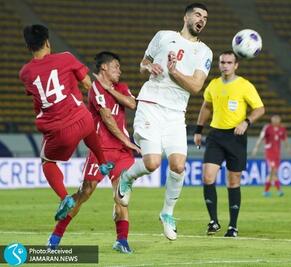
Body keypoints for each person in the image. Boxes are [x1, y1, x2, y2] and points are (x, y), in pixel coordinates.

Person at [115, 2, 212, 241]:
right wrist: (150, 66)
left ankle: (167, 214)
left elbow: (197, 86)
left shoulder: (205, 52)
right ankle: (126, 178)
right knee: (152, 163)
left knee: (179, 166)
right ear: (186, 17)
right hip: (151, 105)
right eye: (198, 15)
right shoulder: (163, 36)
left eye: (206, 18)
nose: (202, 19)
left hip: (176, 113)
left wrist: (174, 71)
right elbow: (142, 65)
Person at [47, 51, 140, 253]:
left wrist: (112, 90)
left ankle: (121, 241)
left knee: (121, 196)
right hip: (102, 151)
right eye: (116, 66)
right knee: (85, 192)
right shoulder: (95, 89)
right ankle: (56, 236)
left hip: (122, 153)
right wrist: (127, 140)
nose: (119, 70)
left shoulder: (121, 88)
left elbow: (133, 104)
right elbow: (107, 117)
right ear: (104, 67)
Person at [19, 24, 113, 221]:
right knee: (89, 130)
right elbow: (87, 83)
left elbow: (37, 95)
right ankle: (103, 163)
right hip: (81, 116)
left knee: (47, 162)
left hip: (59, 128)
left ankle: (64, 198)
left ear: (29, 46)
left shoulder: (25, 73)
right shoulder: (66, 58)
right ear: (47, 42)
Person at [194, 51, 265, 237]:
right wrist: (199, 130)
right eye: (222, 62)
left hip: (236, 137)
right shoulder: (213, 85)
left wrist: (246, 122)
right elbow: (206, 106)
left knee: (233, 182)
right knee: (208, 177)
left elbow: (260, 108)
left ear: (236, 65)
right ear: (219, 64)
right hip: (216, 135)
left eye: (229, 62)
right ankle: (213, 221)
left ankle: (233, 226)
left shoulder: (245, 86)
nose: (225, 65)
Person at [251, 115, 291, 197]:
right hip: (269, 153)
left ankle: (266, 191)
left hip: (277, 154)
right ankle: (279, 190)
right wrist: (256, 148)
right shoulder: (267, 128)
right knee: (272, 170)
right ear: (271, 120)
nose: (276, 120)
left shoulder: (282, 129)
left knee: (273, 172)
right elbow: (261, 137)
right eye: (274, 119)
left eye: (278, 119)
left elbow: (285, 140)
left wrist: (288, 149)